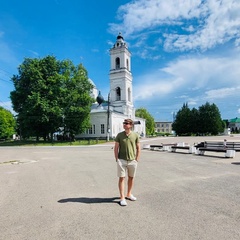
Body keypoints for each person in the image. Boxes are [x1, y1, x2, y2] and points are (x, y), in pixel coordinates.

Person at [114, 119, 141, 206]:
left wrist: (137, 159)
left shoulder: (135, 135)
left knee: (131, 177)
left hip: (132, 160)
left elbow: (138, 148)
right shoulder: (120, 135)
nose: (124, 124)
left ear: (131, 125)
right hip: (122, 160)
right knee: (122, 178)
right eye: (124, 123)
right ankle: (122, 197)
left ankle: (129, 194)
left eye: (126, 123)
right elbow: (116, 148)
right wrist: (117, 158)